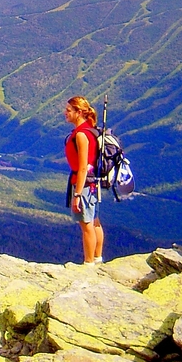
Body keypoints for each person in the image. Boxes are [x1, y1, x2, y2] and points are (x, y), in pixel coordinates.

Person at [64, 96, 104, 265]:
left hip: (84, 183)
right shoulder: (91, 130)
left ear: (78, 112)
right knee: (94, 220)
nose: (65, 113)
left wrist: (78, 194)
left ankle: (89, 263)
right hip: (93, 182)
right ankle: (98, 258)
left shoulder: (80, 135)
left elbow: (82, 167)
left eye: (68, 110)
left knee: (86, 224)